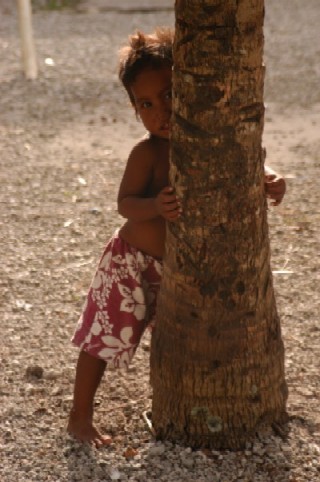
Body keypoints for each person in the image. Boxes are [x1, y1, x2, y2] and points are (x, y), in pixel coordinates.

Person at [67, 28, 286, 448]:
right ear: (135, 110)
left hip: (182, 271)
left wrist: (270, 181)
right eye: (145, 104)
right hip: (131, 263)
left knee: (183, 345)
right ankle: (79, 415)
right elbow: (125, 203)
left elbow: (243, 170)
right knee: (100, 338)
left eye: (168, 94)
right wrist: (155, 207)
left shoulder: (212, 142)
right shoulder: (146, 153)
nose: (160, 111)